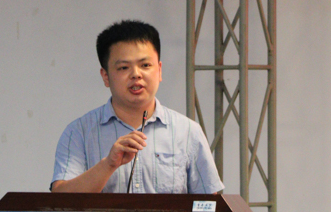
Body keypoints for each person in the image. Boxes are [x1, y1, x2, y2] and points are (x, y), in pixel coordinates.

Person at [51, 20, 224, 194]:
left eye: (145, 65)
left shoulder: (188, 132)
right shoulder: (79, 132)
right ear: (105, 76)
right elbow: (60, 198)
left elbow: (209, 204)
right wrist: (108, 164)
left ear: (159, 70)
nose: (136, 74)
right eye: (123, 67)